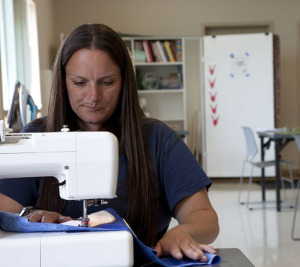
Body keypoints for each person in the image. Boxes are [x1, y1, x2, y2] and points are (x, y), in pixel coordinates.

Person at [0, 23, 219, 263]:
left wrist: (183, 232)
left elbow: (204, 216)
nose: (93, 96)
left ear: (124, 81)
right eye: (80, 82)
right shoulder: (38, 138)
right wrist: (28, 215)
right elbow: (4, 211)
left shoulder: (158, 140)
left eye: (106, 82)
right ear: (63, 82)